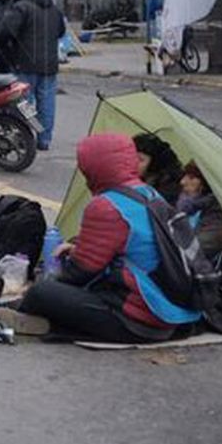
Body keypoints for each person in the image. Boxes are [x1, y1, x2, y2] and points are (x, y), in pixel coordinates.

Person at [18, 132, 200, 343]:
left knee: (41, 292)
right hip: (170, 314)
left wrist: (39, 285)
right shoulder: (148, 193)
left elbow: (81, 271)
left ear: (93, 165)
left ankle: (35, 317)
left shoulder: (106, 205)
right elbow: (130, 249)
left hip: (137, 321)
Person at [0, 0, 66, 151]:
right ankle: (44, 139)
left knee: (24, 104)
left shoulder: (21, 7)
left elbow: (6, 32)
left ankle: (26, 135)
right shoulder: (54, 9)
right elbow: (61, 32)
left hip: (25, 64)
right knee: (47, 103)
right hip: (49, 65)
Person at [177, 162, 222, 256]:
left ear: (205, 183)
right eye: (184, 176)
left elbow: (189, 251)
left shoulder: (219, 219)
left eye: (192, 178)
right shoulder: (189, 204)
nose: (182, 182)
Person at [132, 133, 185, 207]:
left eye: (140, 160)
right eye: (131, 156)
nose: (133, 162)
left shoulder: (168, 188)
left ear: (153, 164)